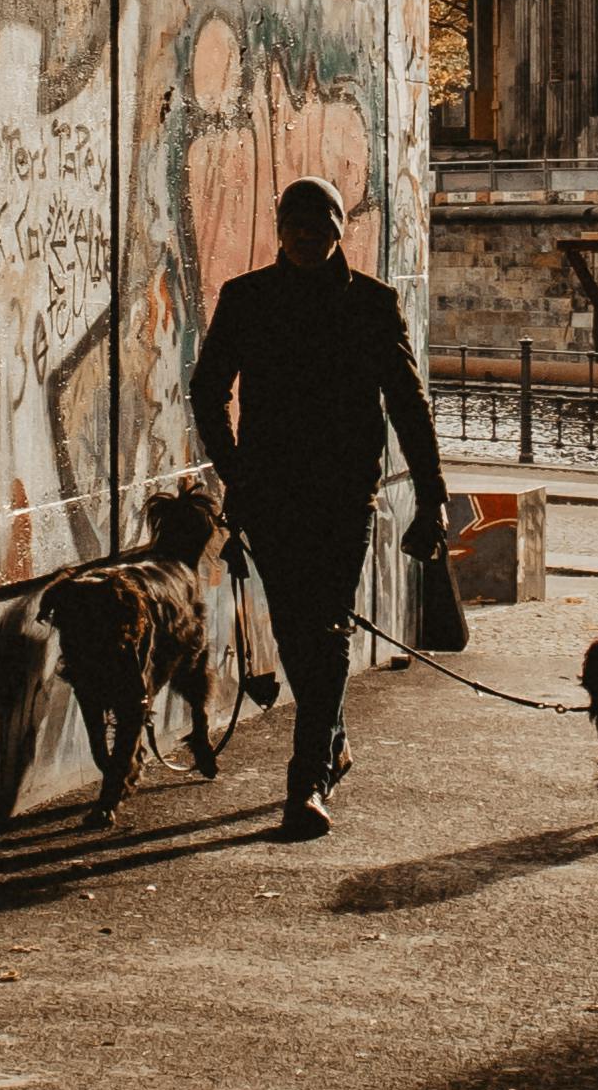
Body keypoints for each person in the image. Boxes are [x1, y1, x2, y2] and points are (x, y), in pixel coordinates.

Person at [191, 174, 448, 837]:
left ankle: (305, 782)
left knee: (325, 630)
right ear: (281, 229)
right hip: (269, 493)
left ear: (341, 230)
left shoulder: (373, 303)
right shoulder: (245, 299)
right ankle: (329, 740)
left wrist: (432, 497)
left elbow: (410, 407)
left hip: (342, 494)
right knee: (296, 632)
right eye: (298, 226)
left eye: (322, 227)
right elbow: (207, 390)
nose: (309, 238)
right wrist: (236, 473)